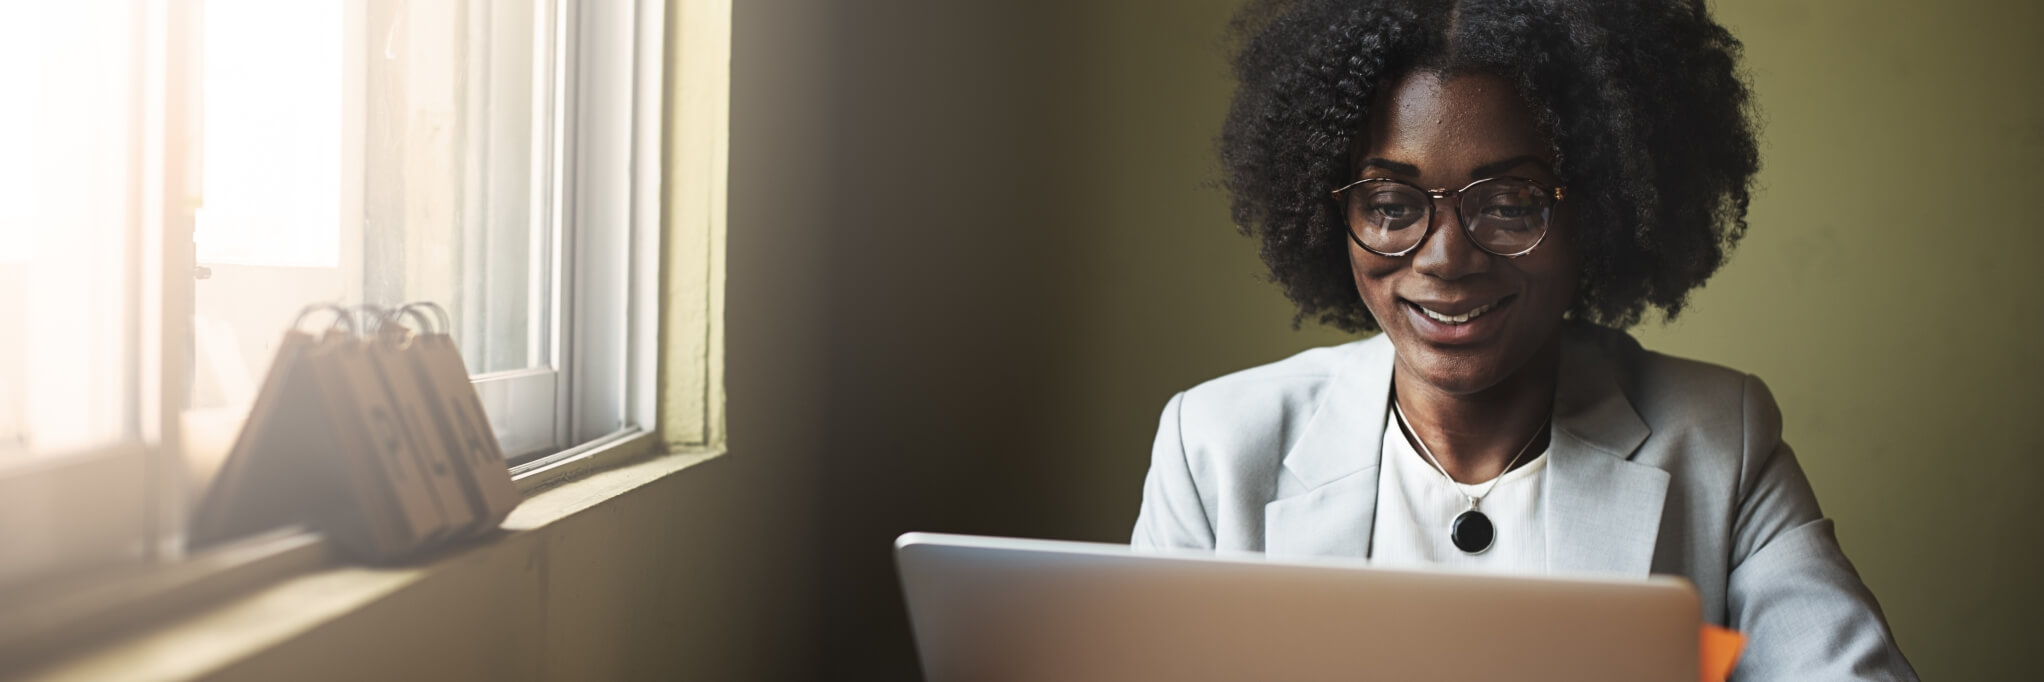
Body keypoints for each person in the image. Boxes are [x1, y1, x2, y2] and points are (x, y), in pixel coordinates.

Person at [1128, 1, 1916, 679]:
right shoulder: (1216, 450)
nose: (1444, 257)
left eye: (1509, 202)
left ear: (1598, 212)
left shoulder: (1718, 441)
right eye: (1392, 202)